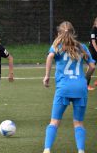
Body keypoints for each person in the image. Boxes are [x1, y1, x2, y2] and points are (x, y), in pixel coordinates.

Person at [42, 21, 95, 153]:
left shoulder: (57, 46)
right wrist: (85, 78)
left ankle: (47, 149)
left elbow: (49, 57)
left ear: (59, 33)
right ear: (73, 32)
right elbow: (92, 66)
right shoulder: (82, 47)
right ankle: (81, 150)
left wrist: (47, 76)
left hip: (64, 88)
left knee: (54, 122)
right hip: (80, 88)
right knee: (78, 123)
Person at [86, 17, 97, 90]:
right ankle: (86, 85)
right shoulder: (93, 31)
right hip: (92, 51)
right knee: (91, 67)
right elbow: (93, 42)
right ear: (95, 23)